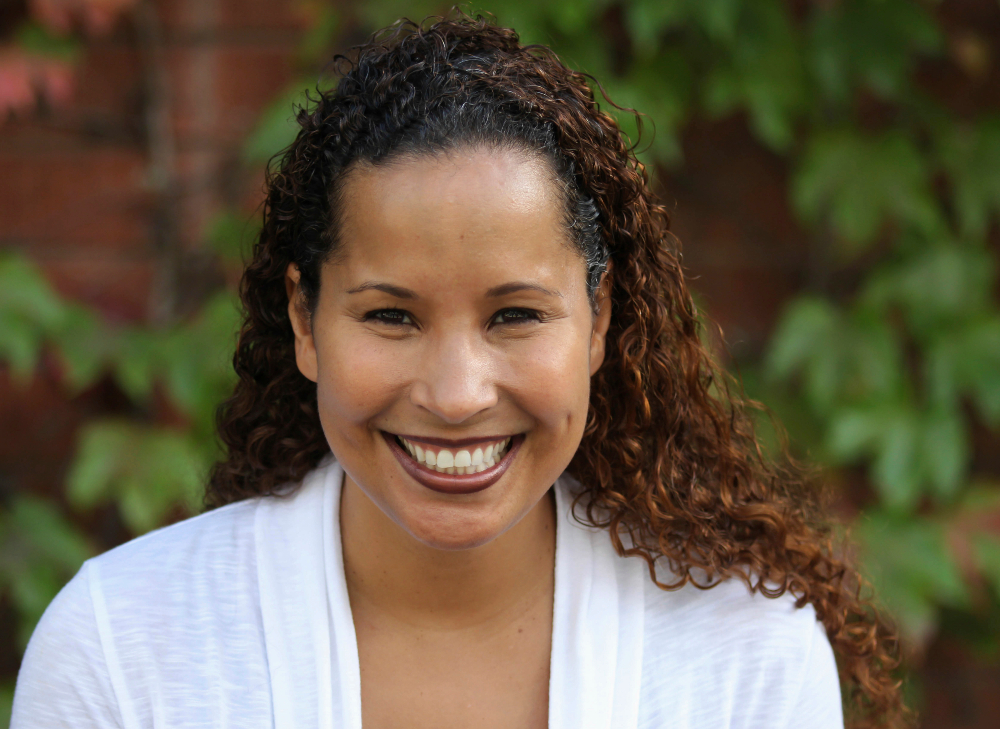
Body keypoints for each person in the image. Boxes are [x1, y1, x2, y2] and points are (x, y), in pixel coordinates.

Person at [12, 15, 907, 729]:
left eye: (515, 315)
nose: (455, 392)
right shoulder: (123, 650)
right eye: (390, 315)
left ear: (598, 321)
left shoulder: (744, 654)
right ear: (304, 321)